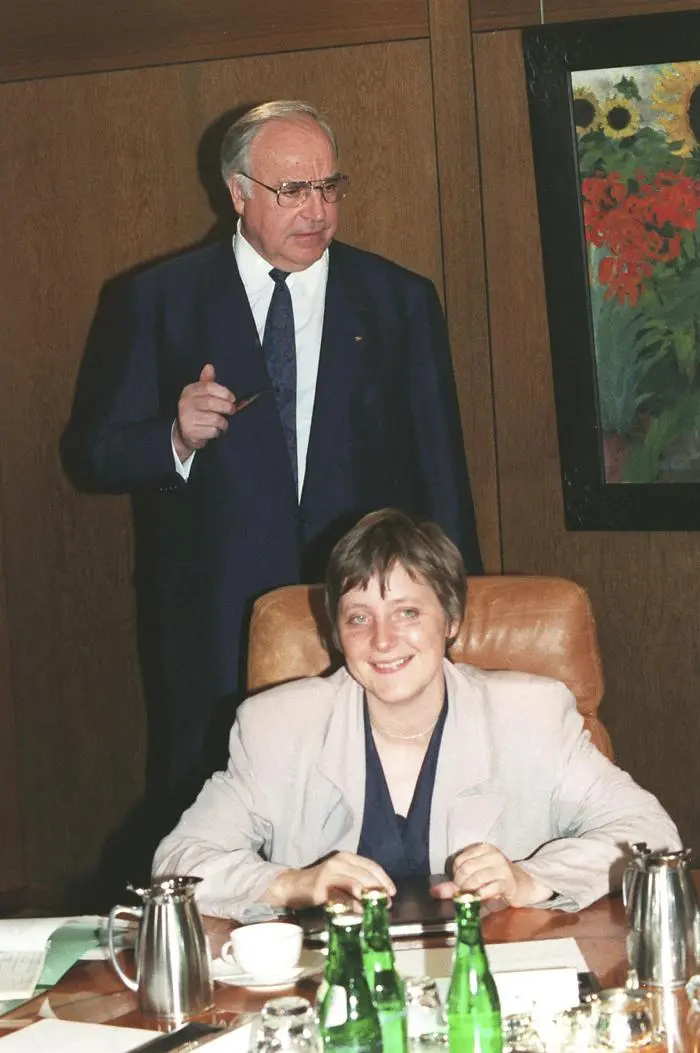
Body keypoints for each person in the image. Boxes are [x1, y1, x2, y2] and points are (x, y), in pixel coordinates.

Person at [63, 100, 482, 801]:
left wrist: (461, 608)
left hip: (370, 616)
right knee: (218, 811)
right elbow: (92, 453)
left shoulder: (399, 300)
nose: (316, 210)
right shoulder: (158, 300)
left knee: (368, 799)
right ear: (237, 193)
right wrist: (172, 437)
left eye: (328, 187)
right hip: (213, 619)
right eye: (292, 190)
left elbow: (443, 469)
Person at [153, 507, 680, 920]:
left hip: (493, 983)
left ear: (450, 619)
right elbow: (178, 862)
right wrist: (292, 884)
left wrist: (530, 878)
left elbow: (651, 834)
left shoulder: (530, 716)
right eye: (359, 618)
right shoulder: (277, 727)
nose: (382, 641)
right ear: (336, 634)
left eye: (407, 612)